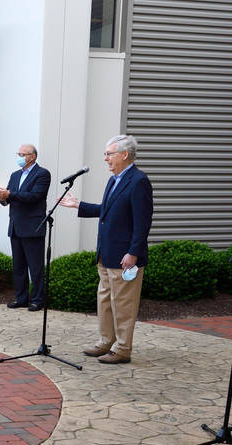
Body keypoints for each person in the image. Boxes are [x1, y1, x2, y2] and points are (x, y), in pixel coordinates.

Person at [61, 134, 153, 365]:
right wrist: (79, 205)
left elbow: (143, 222)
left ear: (124, 154)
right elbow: (108, 210)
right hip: (106, 253)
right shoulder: (114, 180)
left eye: (109, 154)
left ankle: (122, 348)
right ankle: (106, 341)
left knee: (123, 303)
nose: (105, 159)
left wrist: (133, 252)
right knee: (104, 300)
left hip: (125, 257)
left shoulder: (138, 181)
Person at [0, 144, 51, 311]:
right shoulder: (15, 175)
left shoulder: (42, 174)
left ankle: (37, 300)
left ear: (32, 157)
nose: (19, 156)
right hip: (15, 226)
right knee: (18, 266)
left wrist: (10, 195)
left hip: (33, 227)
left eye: (22, 154)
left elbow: (35, 196)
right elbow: (9, 198)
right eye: (18, 153)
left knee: (35, 267)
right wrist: (2, 198)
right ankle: (21, 298)